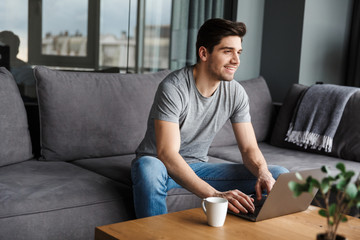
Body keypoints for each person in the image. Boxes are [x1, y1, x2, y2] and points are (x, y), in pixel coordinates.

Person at [131, 18, 288, 218]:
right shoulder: (173, 88)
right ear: (204, 53)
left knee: (278, 175)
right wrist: (215, 195)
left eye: (238, 52)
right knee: (147, 168)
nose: (236, 60)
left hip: (197, 167)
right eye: (227, 51)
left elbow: (249, 148)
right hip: (159, 165)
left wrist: (263, 173)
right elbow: (167, 154)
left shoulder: (236, 92)